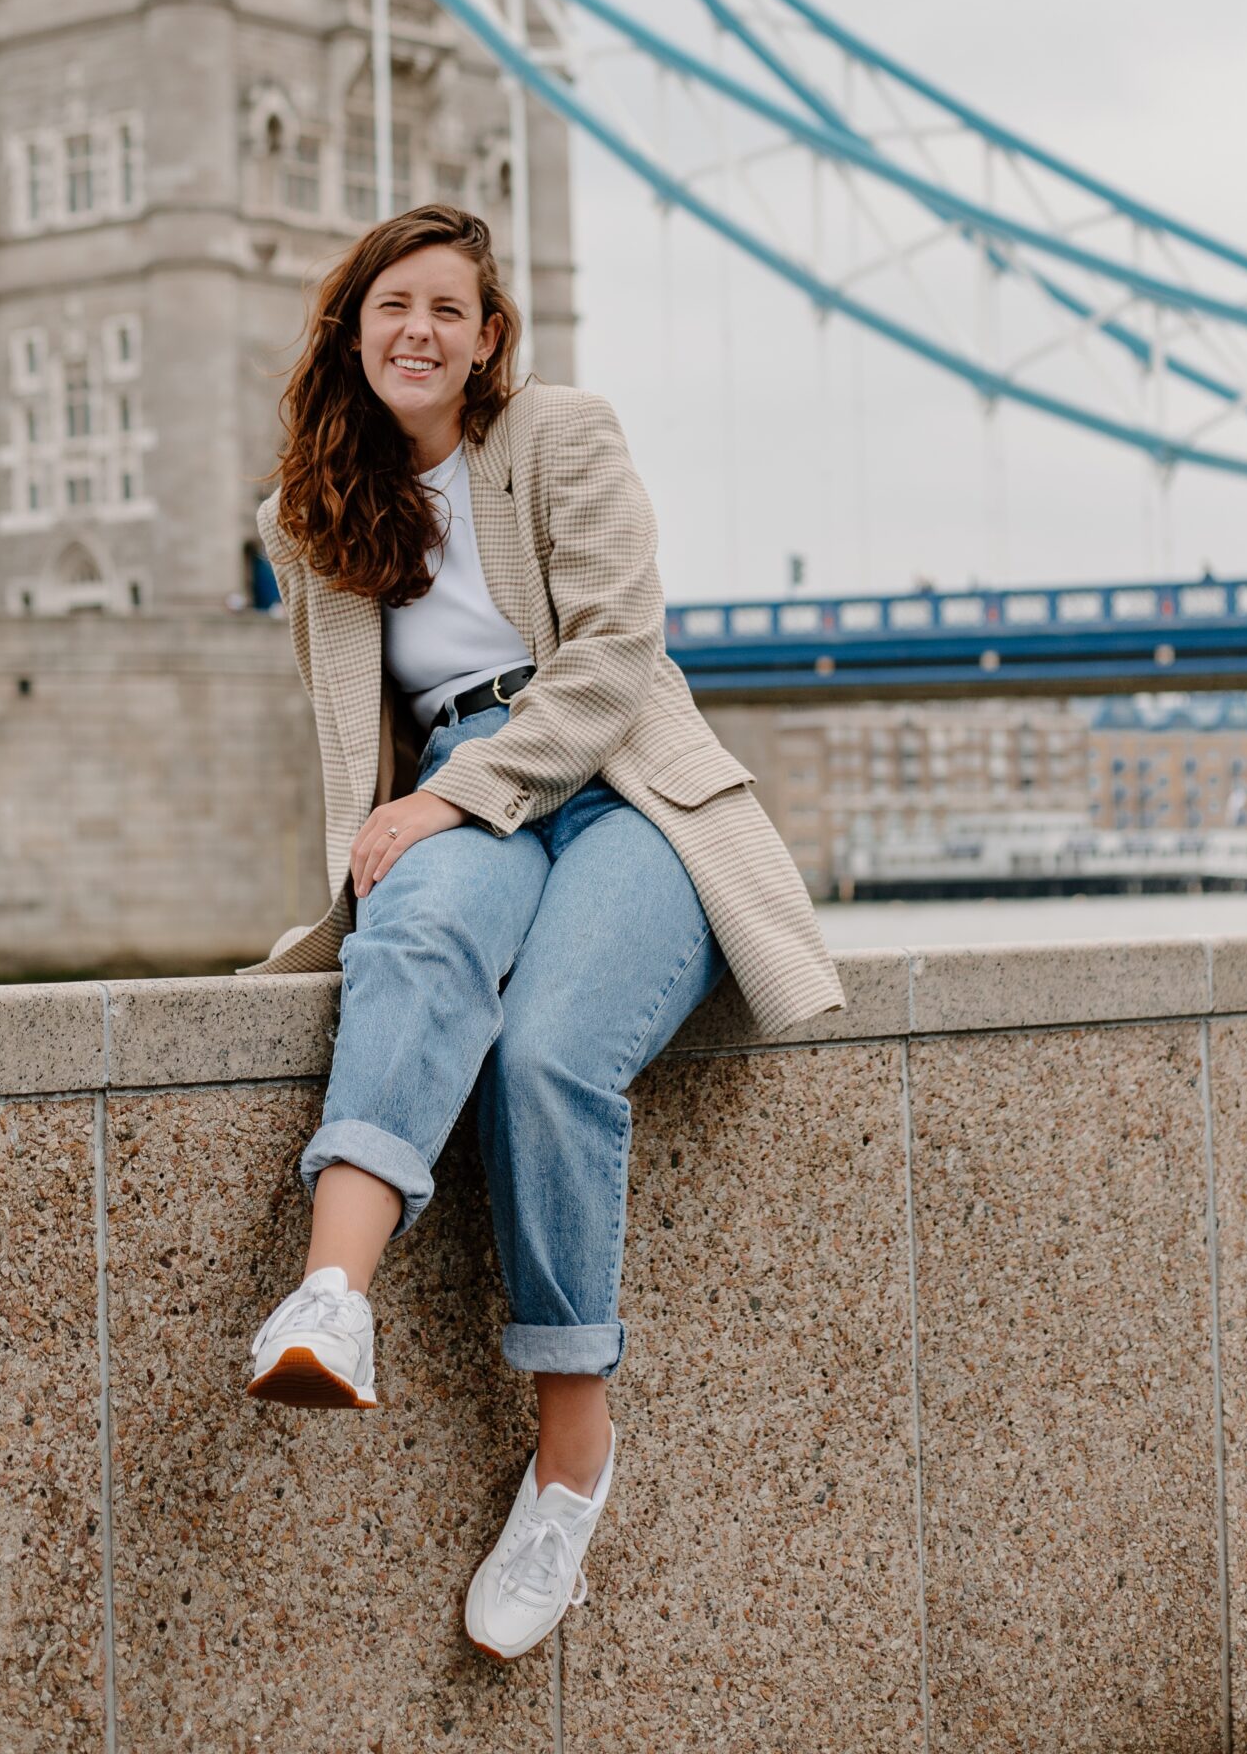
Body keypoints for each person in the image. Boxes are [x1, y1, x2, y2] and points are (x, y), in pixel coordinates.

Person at [243, 205, 843, 1660]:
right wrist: (408, 832)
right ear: (354, 326)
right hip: (461, 797)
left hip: (622, 785)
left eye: (450, 310)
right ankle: (332, 1300)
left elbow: (616, 652)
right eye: (395, 305)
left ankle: (571, 1458)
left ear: (490, 338)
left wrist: (461, 795)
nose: (420, 332)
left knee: (553, 1054)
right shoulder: (307, 516)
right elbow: (349, 729)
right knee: (417, 944)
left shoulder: (561, 437)